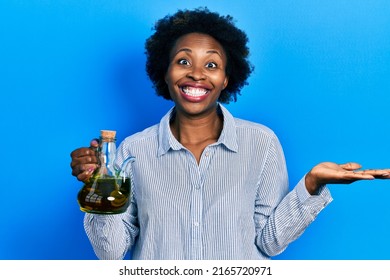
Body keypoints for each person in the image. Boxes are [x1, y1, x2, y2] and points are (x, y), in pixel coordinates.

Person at [70, 7, 390, 260]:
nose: (196, 73)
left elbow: (270, 243)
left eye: (211, 65)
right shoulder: (133, 151)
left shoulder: (261, 143)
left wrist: (311, 185)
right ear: (164, 73)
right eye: (183, 61)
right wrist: (99, 190)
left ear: (226, 78)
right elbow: (110, 253)